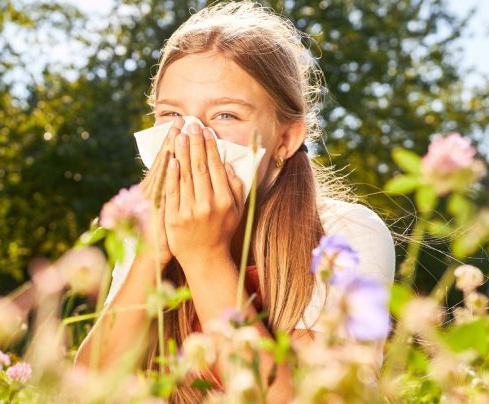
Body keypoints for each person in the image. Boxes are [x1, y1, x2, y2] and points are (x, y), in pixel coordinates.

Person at [75, 2, 395, 402]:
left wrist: (205, 255)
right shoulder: (147, 230)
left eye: (225, 115)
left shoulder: (345, 233)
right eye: (171, 113)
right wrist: (150, 256)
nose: (189, 135)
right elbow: (85, 391)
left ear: (285, 140)